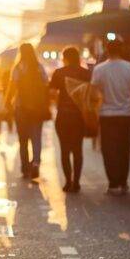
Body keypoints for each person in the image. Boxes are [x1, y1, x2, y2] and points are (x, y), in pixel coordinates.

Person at [91, 38, 130, 195]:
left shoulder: (99, 69)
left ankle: (113, 183)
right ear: (121, 49)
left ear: (107, 50)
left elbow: (93, 93)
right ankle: (123, 182)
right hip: (125, 114)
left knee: (109, 149)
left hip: (107, 115)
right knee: (123, 149)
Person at [5, 43, 51, 180]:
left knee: (23, 140)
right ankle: (36, 162)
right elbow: (46, 86)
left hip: (21, 108)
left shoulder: (18, 68)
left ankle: (25, 168)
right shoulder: (39, 67)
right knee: (36, 138)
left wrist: (7, 102)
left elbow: (12, 87)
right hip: (37, 108)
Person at [48, 47, 91, 193]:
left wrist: (59, 100)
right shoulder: (86, 73)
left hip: (63, 116)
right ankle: (77, 182)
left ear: (64, 58)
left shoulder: (59, 73)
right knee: (78, 149)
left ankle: (68, 182)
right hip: (79, 116)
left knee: (65, 150)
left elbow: (52, 93)